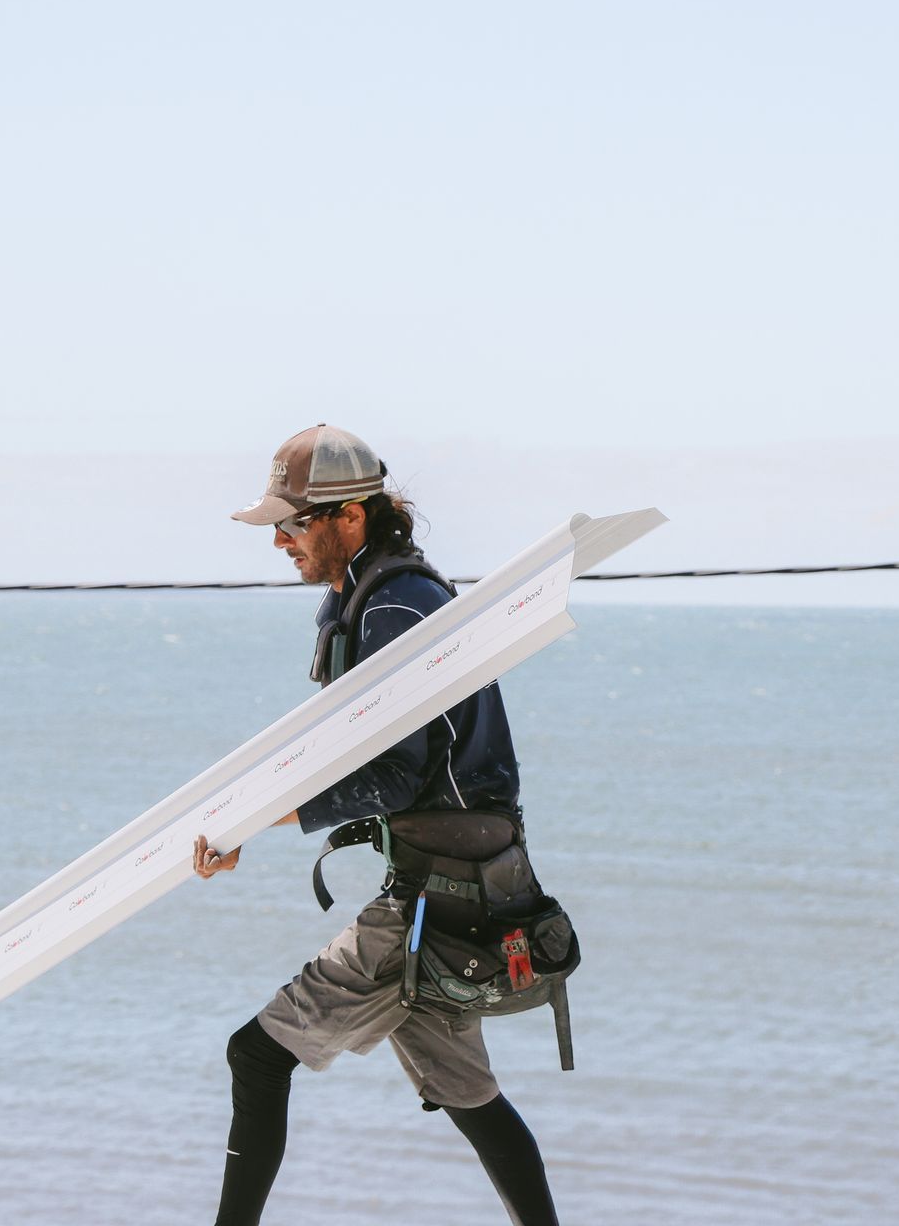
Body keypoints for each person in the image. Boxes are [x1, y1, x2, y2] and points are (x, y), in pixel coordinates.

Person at [192, 424, 561, 1226]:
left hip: (438, 902)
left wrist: (251, 821)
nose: (281, 541)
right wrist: (243, 819)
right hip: (468, 891)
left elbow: (393, 775)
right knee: (472, 1097)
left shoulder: (395, 605)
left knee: (255, 1056)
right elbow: (349, 753)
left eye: (294, 524)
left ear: (349, 517)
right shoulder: (370, 593)